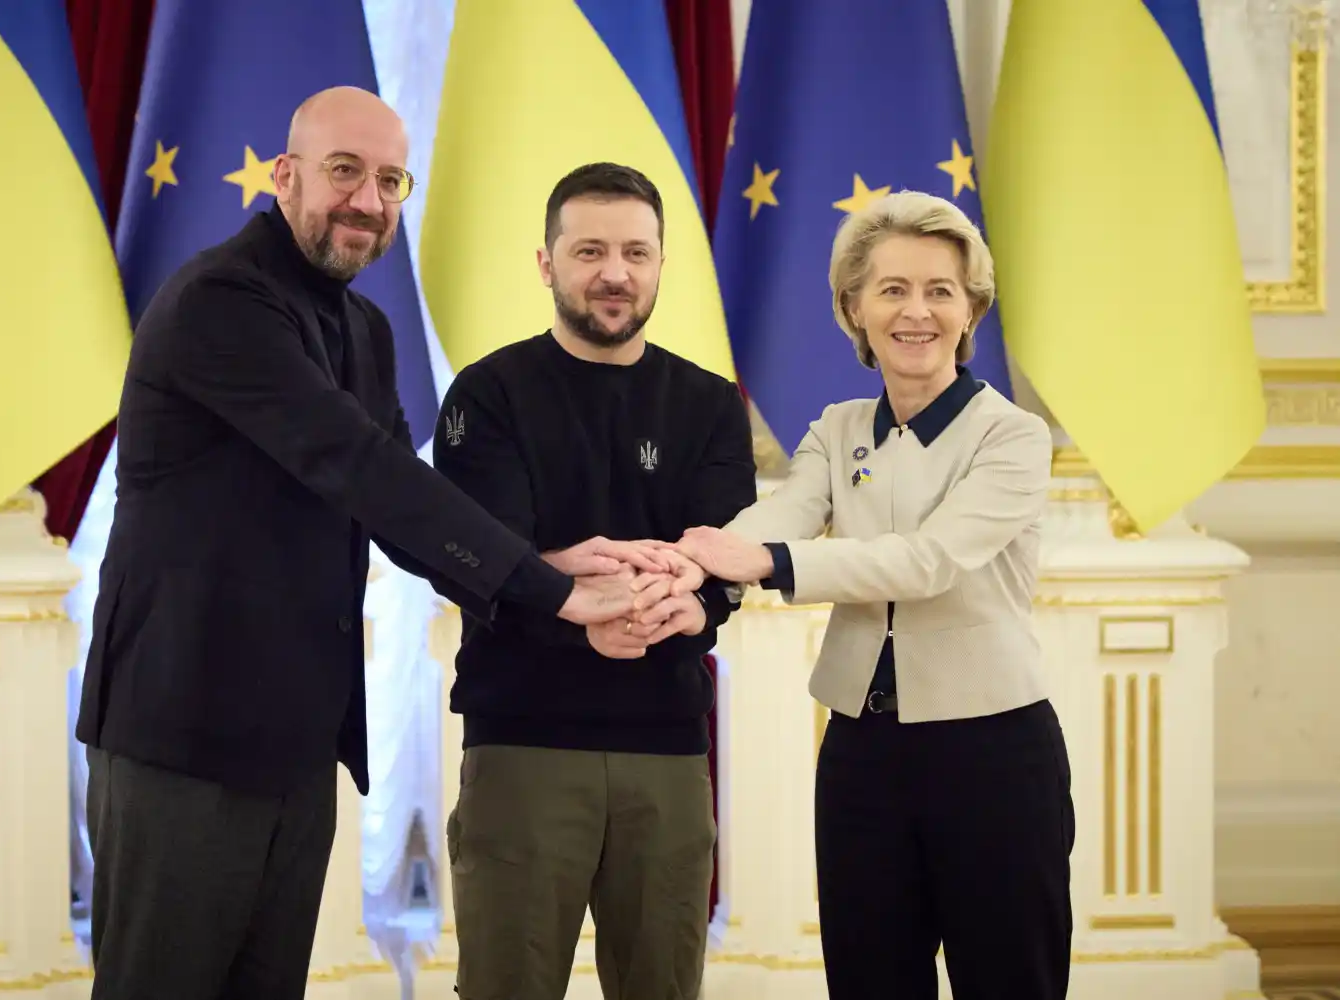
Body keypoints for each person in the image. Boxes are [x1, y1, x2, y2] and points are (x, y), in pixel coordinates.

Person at [73, 87, 641, 1000]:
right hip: (179, 740)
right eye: (345, 172)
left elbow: (410, 501)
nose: (369, 202)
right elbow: (357, 467)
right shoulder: (220, 301)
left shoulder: (365, 327)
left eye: (390, 181)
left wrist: (546, 562)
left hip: (296, 749)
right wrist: (553, 594)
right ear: (286, 175)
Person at [673, 190, 1073, 1000]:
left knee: (1009, 981)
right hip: (862, 755)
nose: (915, 312)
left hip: (994, 754)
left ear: (972, 311)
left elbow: (925, 562)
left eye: (939, 291)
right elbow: (780, 514)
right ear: (854, 308)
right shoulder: (839, 426)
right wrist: (695, 563)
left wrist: (761, 559)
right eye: (891, 289)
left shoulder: (1014, 438)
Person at [432, 161, 757, 1000]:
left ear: (660, 263)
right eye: (589, 251)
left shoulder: (712, 403)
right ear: (547, 264)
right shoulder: (487, 394)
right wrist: (581, 605)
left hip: (669, 747)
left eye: (636, 253)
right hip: (522, 744)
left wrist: (671, 601)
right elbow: (477, 557)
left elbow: (720, 559)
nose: (615, 273)